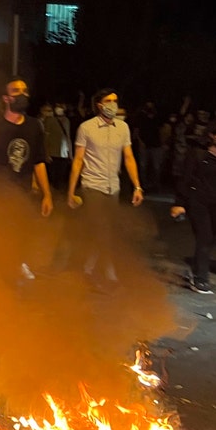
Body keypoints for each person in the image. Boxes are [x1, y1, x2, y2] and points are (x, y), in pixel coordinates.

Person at [0, 78, 54, 281]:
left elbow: (39, 162)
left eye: (24, 90)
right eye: (16, 91)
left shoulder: (35, 126)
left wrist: (47, 195)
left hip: (23, 194)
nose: (22, 94)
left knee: (22, 233)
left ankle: (15, 269)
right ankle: (0, 279)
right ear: (6, 98)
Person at [67, 88, 144, 287]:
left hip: (113, 187)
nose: (112, 104)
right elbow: (78, 160)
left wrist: (137, 186)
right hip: (92, 185)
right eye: (108, 101)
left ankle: (89, 266)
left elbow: (128, 157)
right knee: (101, 228)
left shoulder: (123, 128)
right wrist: (71, 191)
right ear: (99, 105)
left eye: (115, 100)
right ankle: (105, 269)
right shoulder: (86, 128)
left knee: (107, 229)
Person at [170, 120, 216, 294]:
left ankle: (198, 269)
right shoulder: (198, 154)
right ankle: (201, 278)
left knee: (211, 239)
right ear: (212, 136)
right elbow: (185, 178)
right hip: (198, 202)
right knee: (204, 238)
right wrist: (179, 203)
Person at [40, 103, 72, 190]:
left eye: (61, 107)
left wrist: (70, 154)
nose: (59, 109)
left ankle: (58, 196)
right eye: (58, 107)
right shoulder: (50, 120)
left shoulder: (66, 121)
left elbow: (68, 137)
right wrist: (47, 154)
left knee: (61, 178)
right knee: (52, 177)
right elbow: (46, 138)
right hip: (53, 154)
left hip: (64, 154)